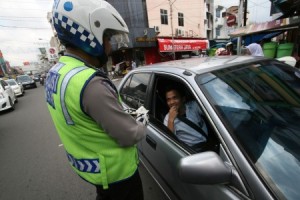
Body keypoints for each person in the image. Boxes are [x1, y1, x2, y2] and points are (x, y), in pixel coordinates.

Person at [45, 1, 146, 199]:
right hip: (119, 177)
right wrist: (142, 121)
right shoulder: (91, 85)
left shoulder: (56, 73)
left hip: (92, 169)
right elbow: (129, 135)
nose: (109, 46)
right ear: (89, 34)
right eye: (107, 37)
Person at [163, 85, 208, 151]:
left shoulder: (193, 106)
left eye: (175, 98)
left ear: (183, 99)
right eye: (168, 100)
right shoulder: (167, 119)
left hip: (208, 142)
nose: (172, 102)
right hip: (194, 150)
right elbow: (169, 142)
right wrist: (171, 120)